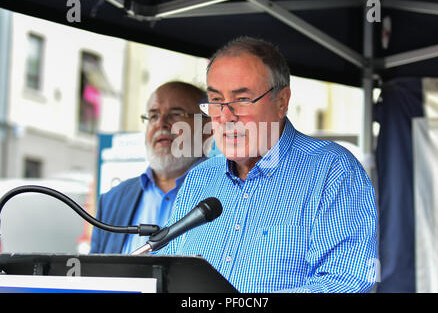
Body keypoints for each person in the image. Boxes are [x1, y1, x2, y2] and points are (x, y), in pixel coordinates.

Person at [156, 37, 378, 293]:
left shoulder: (333, 171)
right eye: (216, 101)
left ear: (281, 102)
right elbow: (166, 272)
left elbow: (346, 281)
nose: (226, 116)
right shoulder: (199, 179)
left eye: (241, 100)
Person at [90, 81, 209, 254]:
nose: (161, 123)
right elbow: (94, 275)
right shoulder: (112, 200)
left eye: (176, 114)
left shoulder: (227, 193)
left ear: (208, 127)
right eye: (153, 116)